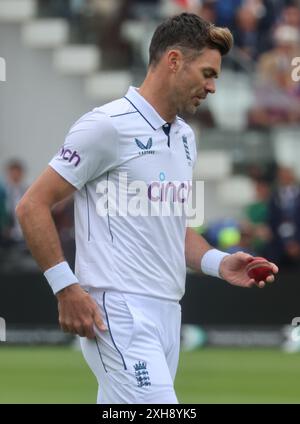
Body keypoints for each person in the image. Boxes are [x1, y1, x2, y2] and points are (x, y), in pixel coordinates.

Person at [16, 13, 278, 404]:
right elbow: (32, 205)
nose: (211, 86)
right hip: (118, 310)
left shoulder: (186, 137)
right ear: (174, 61)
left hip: (167, 312)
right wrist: (66, 288)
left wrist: (219, 263)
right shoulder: (106, 126)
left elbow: (173, 228)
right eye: (208, 73)